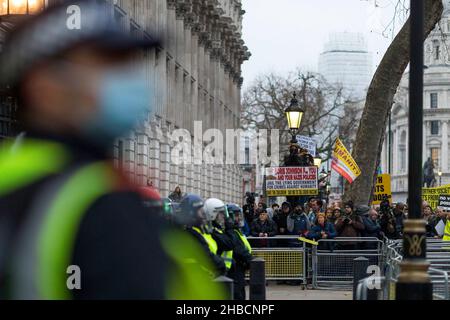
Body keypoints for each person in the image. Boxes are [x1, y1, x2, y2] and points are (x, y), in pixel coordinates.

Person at [0, 1, 223, 300]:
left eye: (129, 63)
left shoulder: (18, 178)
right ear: (44, 86)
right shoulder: (98, 203)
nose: (131, 78)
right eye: (109, 63)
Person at [180, 195, 227, 277]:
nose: (203, 215)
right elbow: (206, 256)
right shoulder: (190, 235)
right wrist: (221, 265)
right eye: (200, 211)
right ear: (191, 213)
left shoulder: (197, 231)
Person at [226, 204, 253, 300]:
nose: (238, 218)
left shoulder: (236, 230)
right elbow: (239, 250)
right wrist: (251, 261)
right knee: (237, 296)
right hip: (233, 269)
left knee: (241, 293)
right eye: (236, 215)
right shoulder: (230, 232)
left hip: (240, 267)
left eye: (239, 215)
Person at [204, 198, 235, 272]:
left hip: (221, 269)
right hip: (215, 271)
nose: (223, 216)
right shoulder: (211, 231)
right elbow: (230, 244)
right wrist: (229, 228)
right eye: (221, 213)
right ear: (212, 214)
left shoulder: (216, 229)